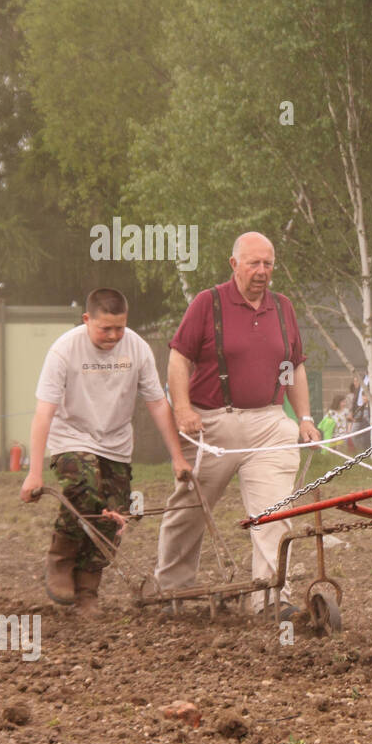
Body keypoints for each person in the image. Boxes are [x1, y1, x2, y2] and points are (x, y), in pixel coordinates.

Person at [153, 232, 320, 616]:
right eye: (253, 263)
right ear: (234, 265)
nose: (262, 271)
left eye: (268, 264)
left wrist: (305, 419)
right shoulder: (206, 304)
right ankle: (174, 589)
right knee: (191, 507)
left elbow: (293, 365)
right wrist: (183, 409)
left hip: (270, 423)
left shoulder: (283, 308)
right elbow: (179, 359)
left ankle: (270, 596)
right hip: (213, 423)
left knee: (274, 512)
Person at [20, 288, 190, 616]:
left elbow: (156, 403)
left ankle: (87, 590)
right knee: (84, 490)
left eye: (119, 328)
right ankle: (60, 559)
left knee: (113, 516)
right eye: (105, 328)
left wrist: (178, 457)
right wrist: (34, 472)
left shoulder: (137, 349)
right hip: (71, 438)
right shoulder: (64, 351)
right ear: (87, 320)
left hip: (116, 445)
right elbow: (44, 413)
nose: (113, 335)